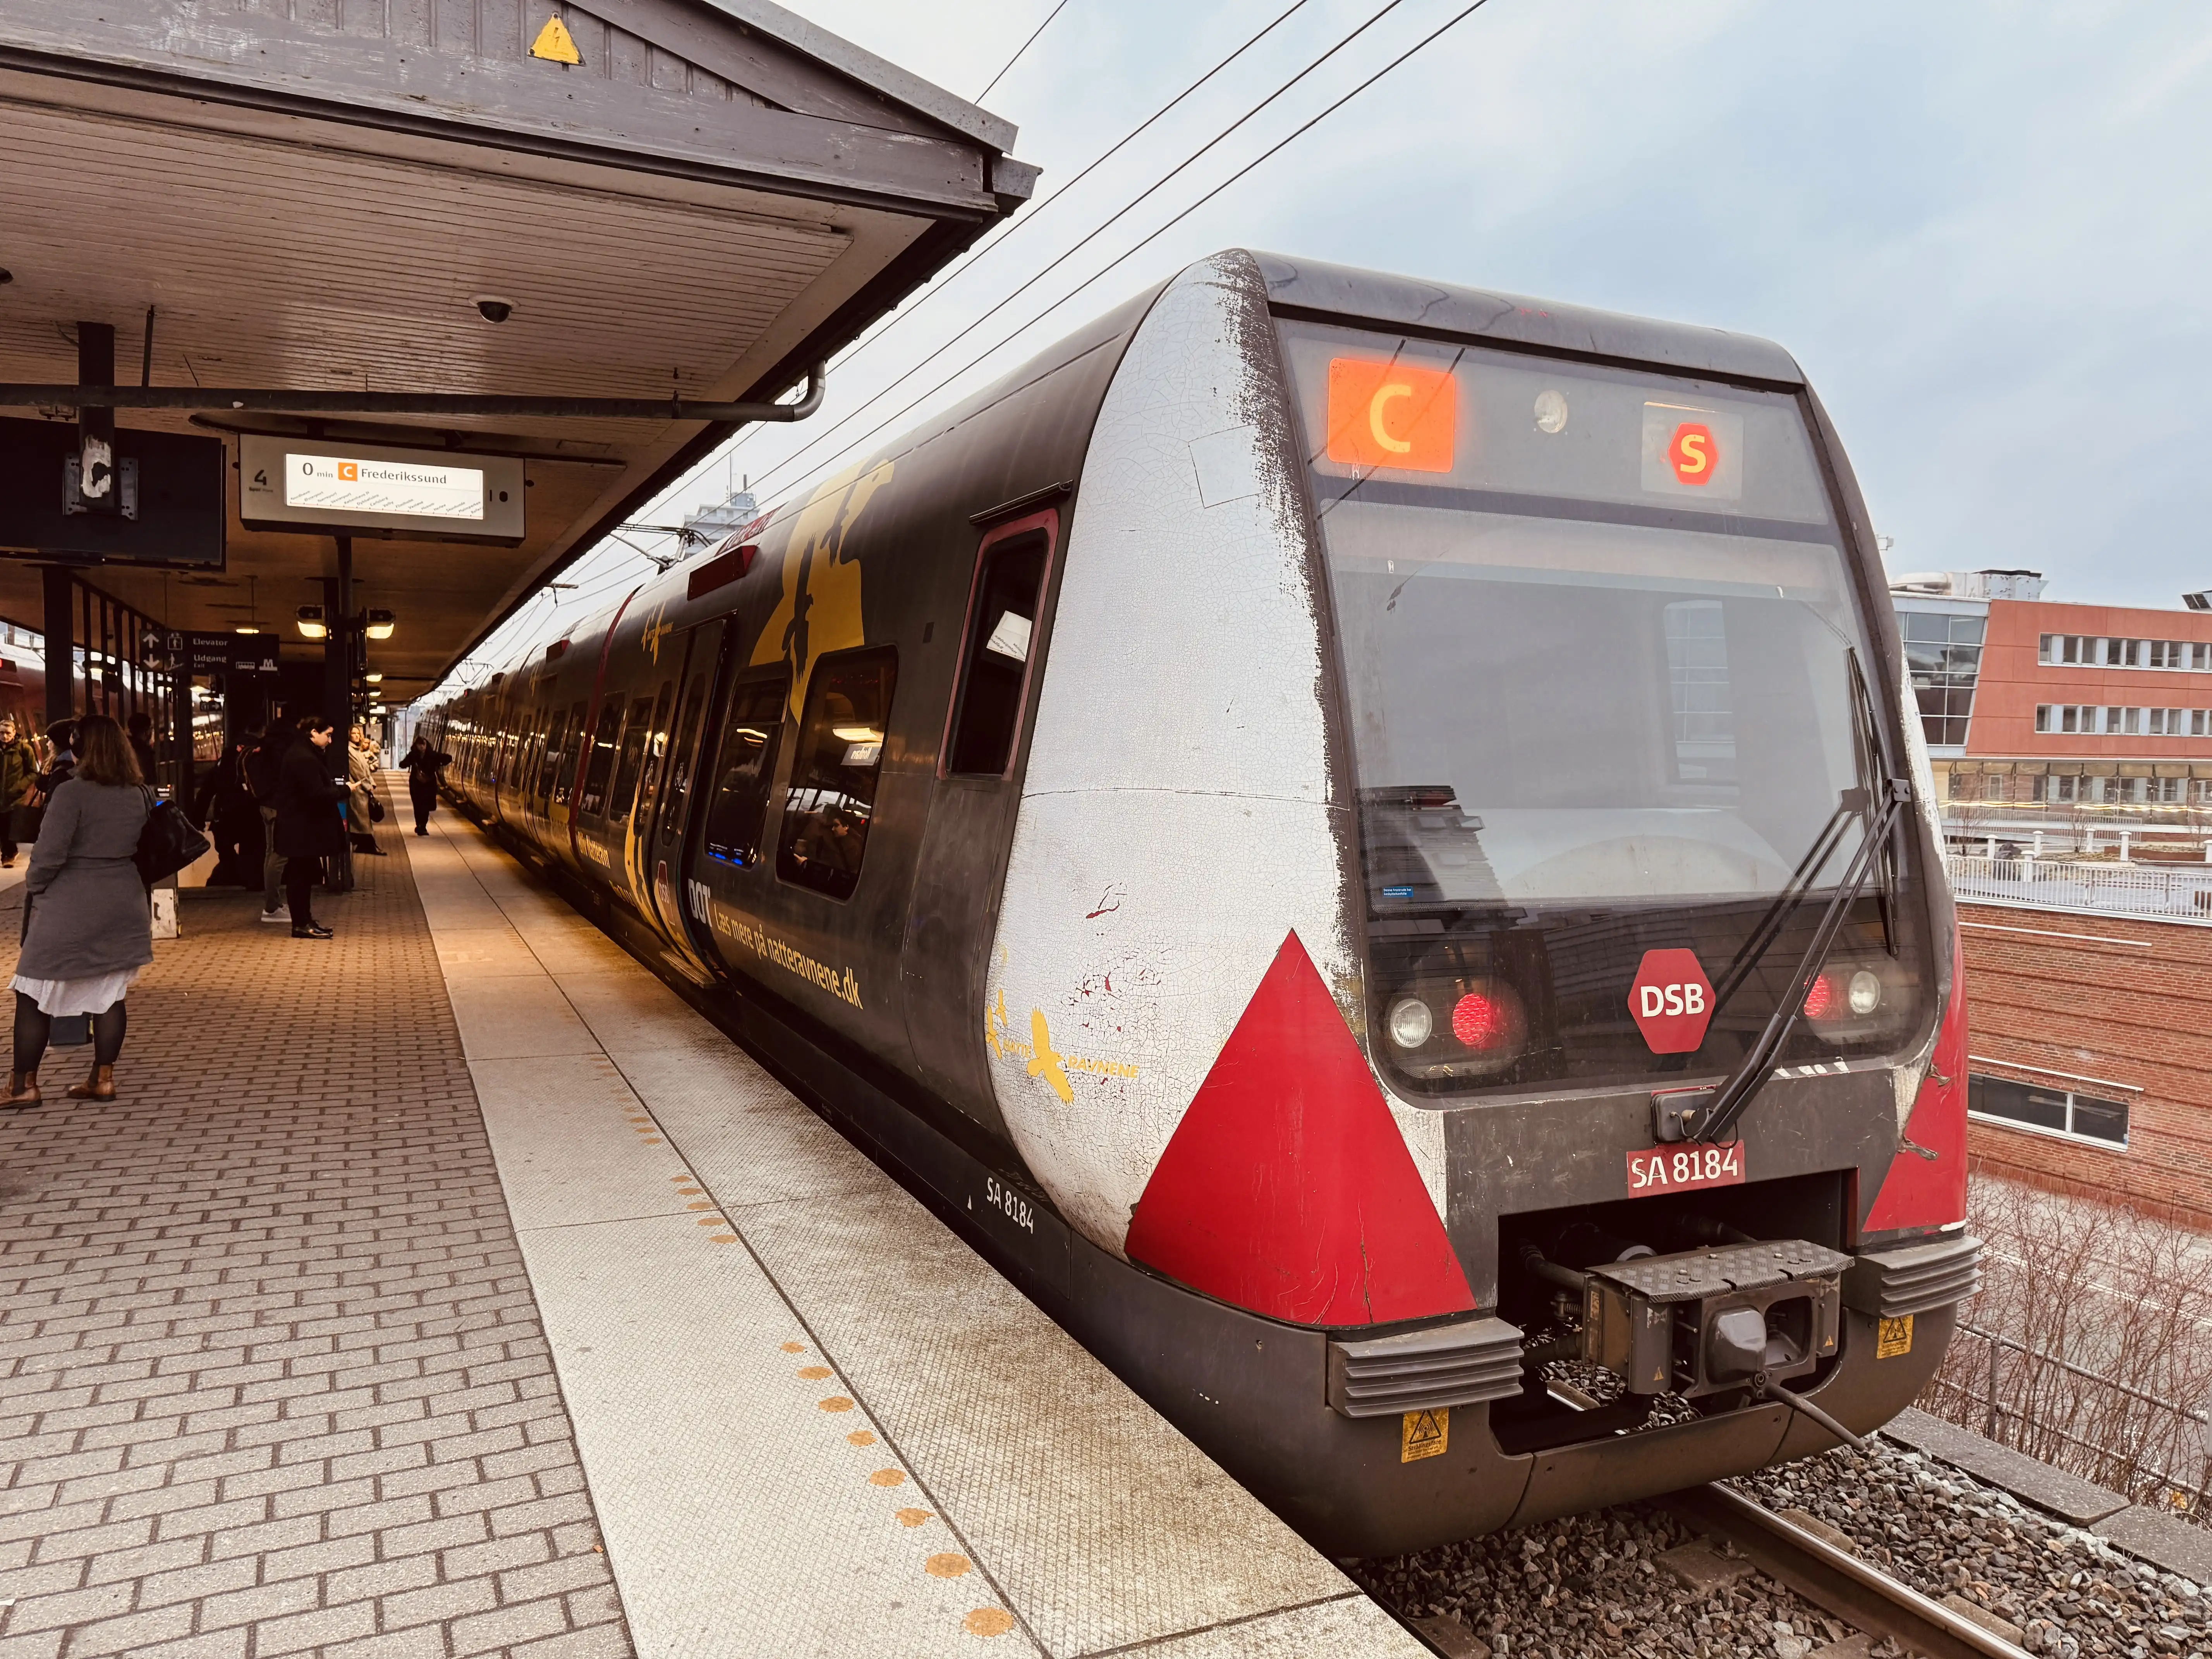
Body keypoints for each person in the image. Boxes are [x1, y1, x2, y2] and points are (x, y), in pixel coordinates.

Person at [2, 714, 152, 1109]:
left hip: (72, 905)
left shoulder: (72, 793)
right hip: (123, 900)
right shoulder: (138, 793)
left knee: (32, 991)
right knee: (110, 995)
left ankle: (23, 1087)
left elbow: (49, 856)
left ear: (83, 745)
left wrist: (36, 887)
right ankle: (102, 1080)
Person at [273, 715, 348, 939]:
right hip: (300, 828)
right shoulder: (304, 758)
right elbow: (316, 794)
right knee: (300, 877)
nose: (330, 741)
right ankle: (301, 924)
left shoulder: (301, 753)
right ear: (313, 732)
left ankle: (305, 921)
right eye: (328, 735)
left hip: (300, 827)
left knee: (302, 875)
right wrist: (346, 791)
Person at [244, 724, 291, 923]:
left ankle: (273, 904)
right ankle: (272, 907)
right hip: (277, 806)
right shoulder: (279, 753)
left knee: (271, 854)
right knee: (279, 856)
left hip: (266, 806)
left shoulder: (261, 750)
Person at [0, 715, 36, 868]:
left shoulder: (24, 749)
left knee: (9, 825)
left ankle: (8, 854)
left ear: (14, 733)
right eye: (2, 733)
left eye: (8, 733)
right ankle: (9, 851)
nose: (5, 736)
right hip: (1, 795)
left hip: (15, 796)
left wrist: (20, 786)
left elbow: (33, 772)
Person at [399, 733, 451, 836]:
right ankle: (419, 825)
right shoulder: (413, 755)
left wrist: (440, 763)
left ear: (427, 745)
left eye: (424, 745)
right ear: (417, 746)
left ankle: (423, 826)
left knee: (425, 806)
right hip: (416, 785)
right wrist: (408, 762)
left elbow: (448, 758)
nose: (422, 747)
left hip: (429, 785)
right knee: (418, 805)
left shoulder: (433, 755)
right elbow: (403, 765)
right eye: (420, 745)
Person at [346, 728, 385, 857]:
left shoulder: (356, 750)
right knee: (362, 820)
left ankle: (365, 844)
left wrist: (371, 783)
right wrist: (369, 786)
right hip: (358, 791)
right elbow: (358, 772)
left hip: (362, 790)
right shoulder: (350, 751)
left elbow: (366, 770)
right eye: (353, 734)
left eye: (358, 733)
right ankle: (368, 845)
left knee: (363, 819)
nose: (356, 736)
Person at [126, 711, 158, 788]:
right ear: (146, 731)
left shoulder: (124, 747)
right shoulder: (146, 752)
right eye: (151, 728)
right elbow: (151, 780)